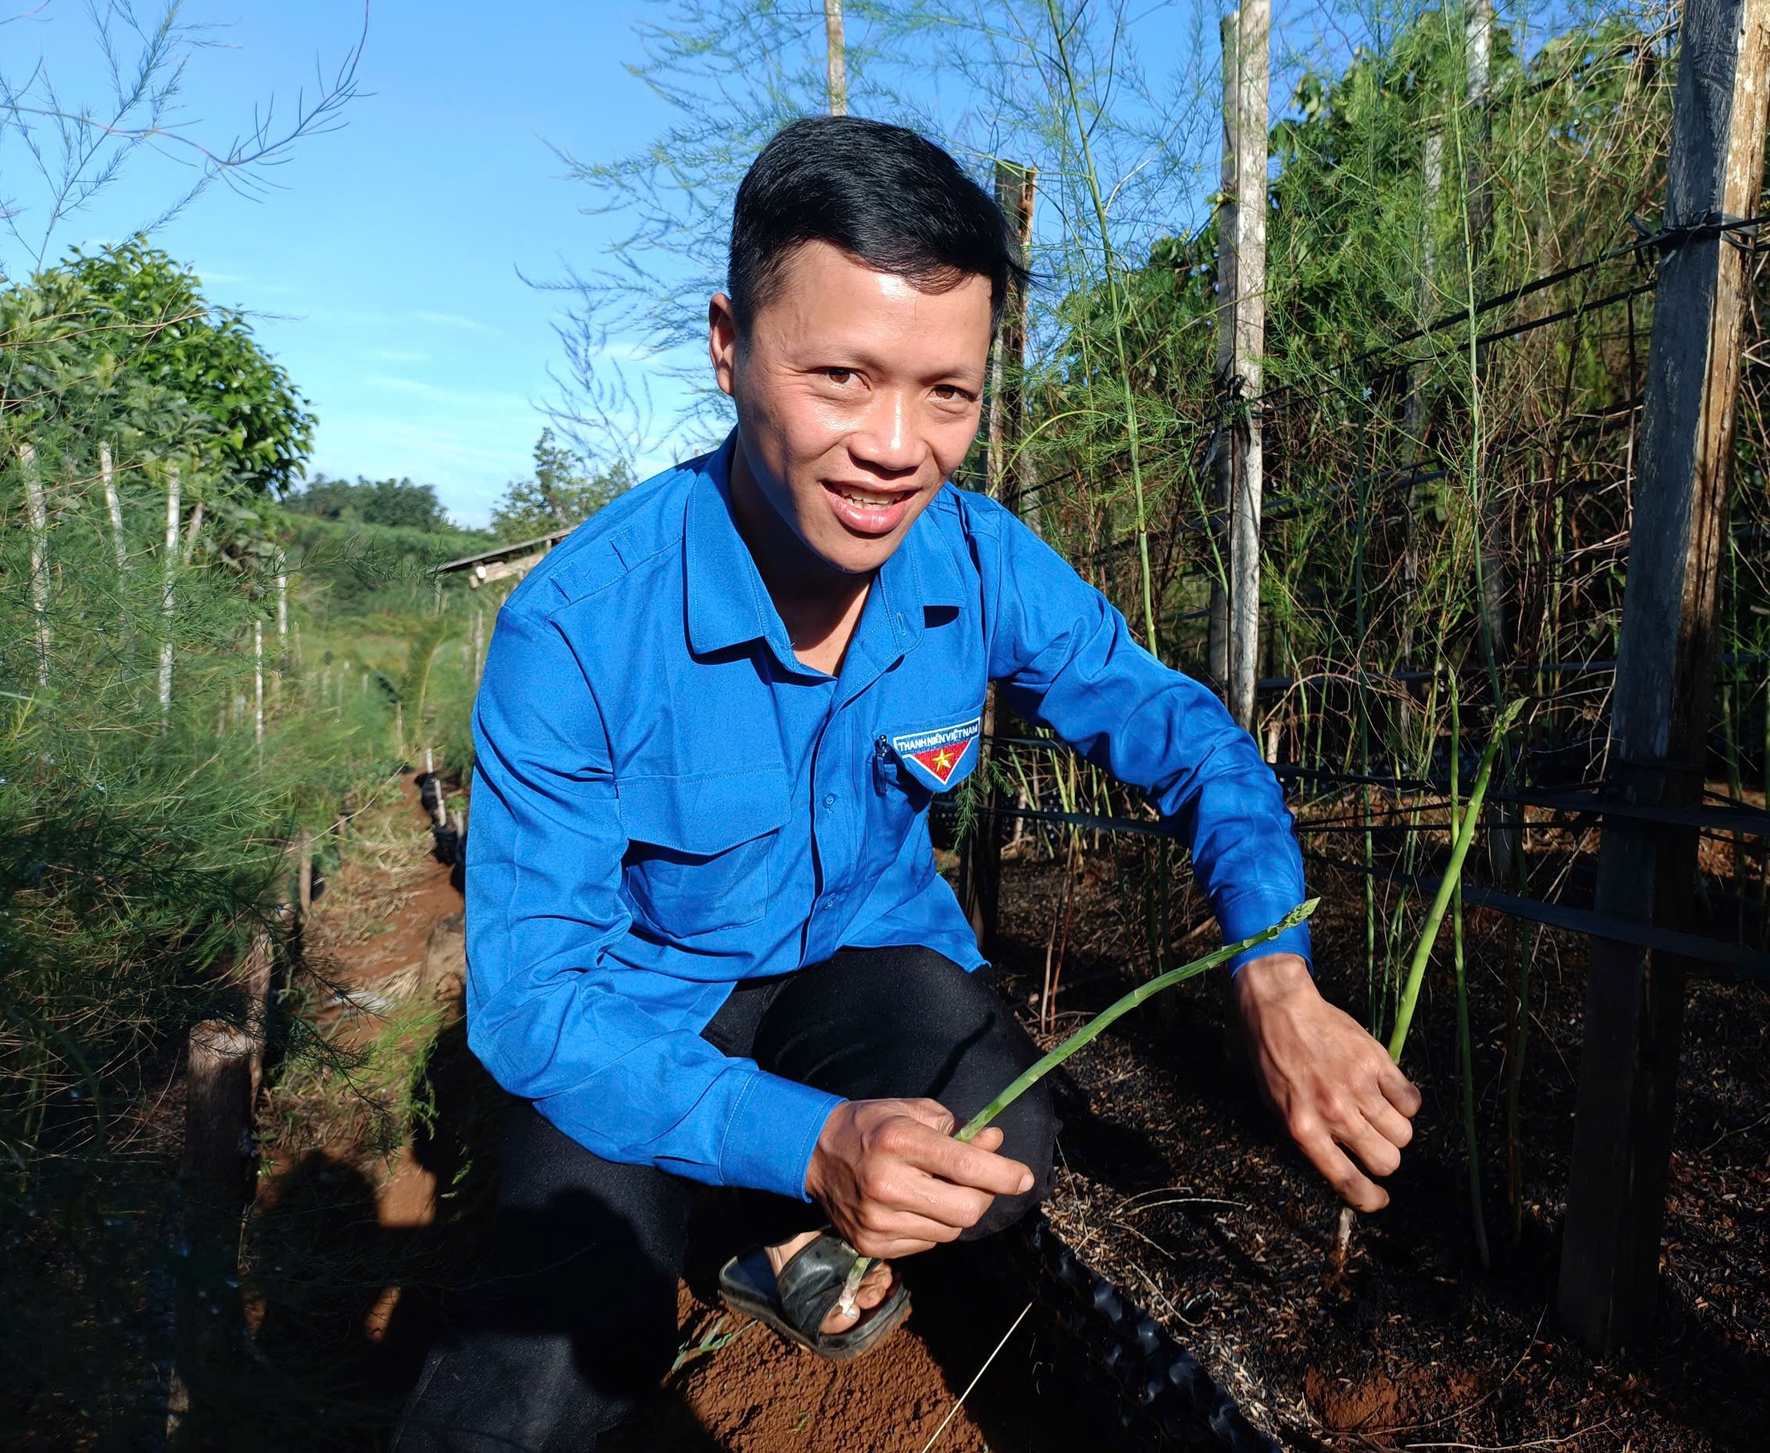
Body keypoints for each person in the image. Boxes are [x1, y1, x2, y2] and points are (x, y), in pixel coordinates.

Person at [395, 115, 1421, 1453]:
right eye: (840, 376)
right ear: (727, 345)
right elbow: (534, 1005)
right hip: (632, 1013)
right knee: (562, 1341)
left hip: (854, 977)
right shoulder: (579, 630)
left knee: (999, 1156)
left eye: (948, 392)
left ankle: (772, 1228)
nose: (897, 448)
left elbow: (1187, 734)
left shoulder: (978, 560)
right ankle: (738, 1219)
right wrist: (810, 1145)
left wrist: (1273, 969)